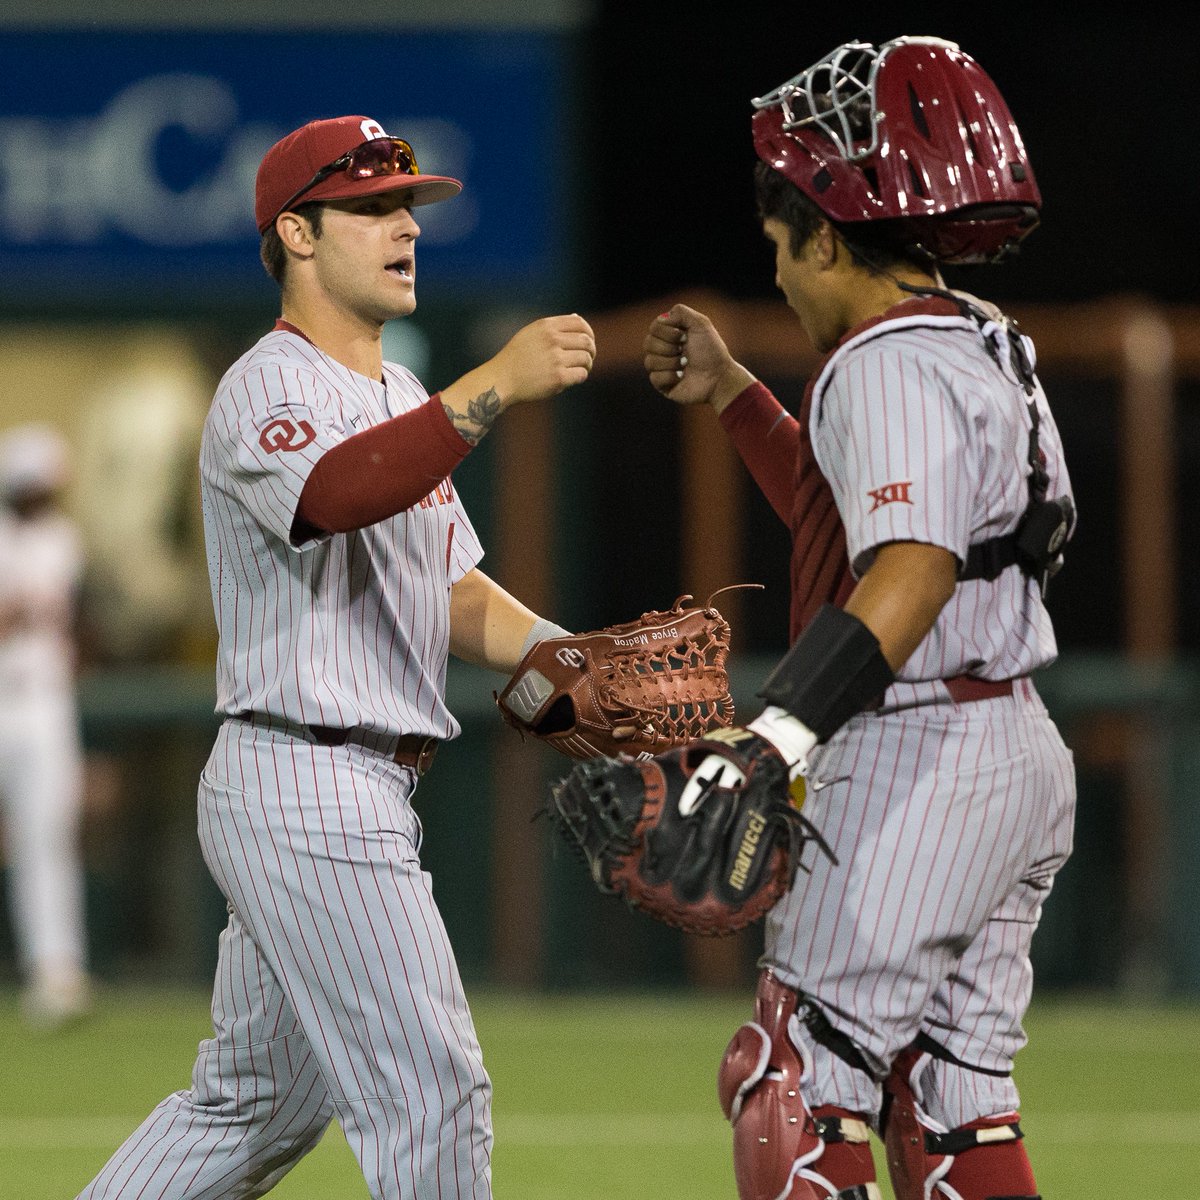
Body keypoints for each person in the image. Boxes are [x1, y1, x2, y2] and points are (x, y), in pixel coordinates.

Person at [78, 114, 593, 1200]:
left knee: (254, 1105)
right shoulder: (268, 385)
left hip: (350, 783)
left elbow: (450, 589)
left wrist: (572, 657)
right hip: (304, 777)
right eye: (370, 208)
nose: (405, 227)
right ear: (297, 233)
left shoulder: (400, 398)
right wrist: (493, 383)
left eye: (409, 207)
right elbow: (336, 494)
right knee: (434, 1093)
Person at [641, 38, 1075, 1200]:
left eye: (785, 246)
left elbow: (914, 567)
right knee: (952, 1099)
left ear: (829, 237)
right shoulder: (982, 337)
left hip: (920, 744)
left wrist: (769, 740)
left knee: (793, 1075)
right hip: (1014, 745)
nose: (779, 274)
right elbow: (861, 530)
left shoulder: (881, 362)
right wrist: (739, 397)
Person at [0, 423, 92, 1027]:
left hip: (47, 702)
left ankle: (56, 971)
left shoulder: (65, 539)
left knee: (48, 838)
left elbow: (81, 627)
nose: (46, 495)